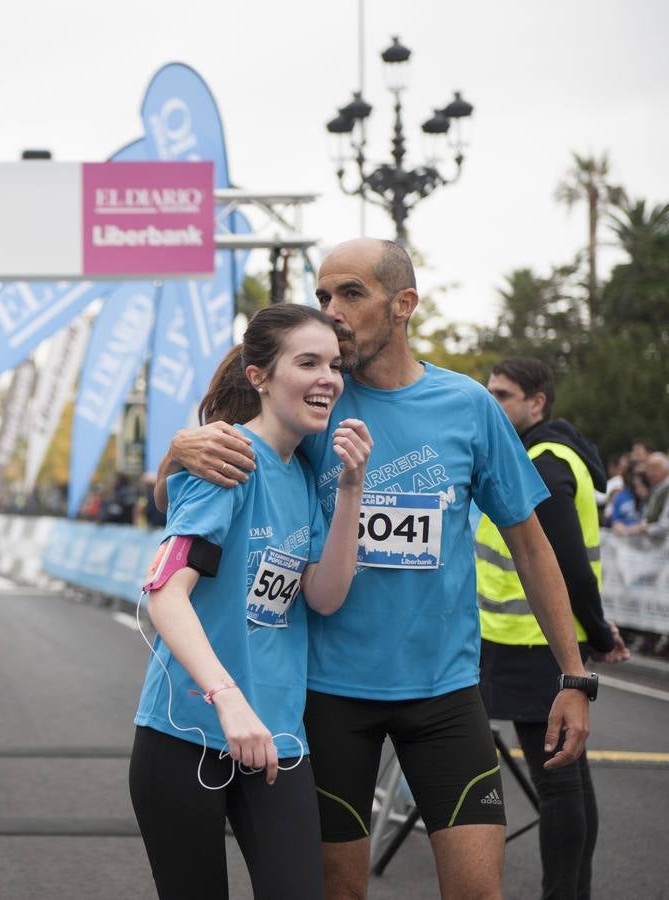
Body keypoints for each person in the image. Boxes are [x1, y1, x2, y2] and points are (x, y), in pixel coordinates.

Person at [155, 239, 593, 900]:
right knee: (340, 893)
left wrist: (573, 674)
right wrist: (178, 449)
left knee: (479, 891)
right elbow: (195, 487)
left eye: (350, 294)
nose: (332, 310)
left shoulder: (468, 407)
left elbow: (531, 545)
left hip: (444, 691)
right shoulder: (312, 399)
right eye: (323, 295)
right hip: (330, 695)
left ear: (403, 305)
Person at [131, 304, 373, 899]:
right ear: (259, 376)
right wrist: (227, 699)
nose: (328, 379)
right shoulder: (226, 460)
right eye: (308, 362)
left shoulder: (301, 473)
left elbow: (323, 595)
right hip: (186, 733)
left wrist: (350, 489)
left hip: (278, 739)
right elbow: (165, 593)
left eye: (335, 366)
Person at [477, 357, 630, 900]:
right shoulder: (549, 453)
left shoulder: (541, 461)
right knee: (569, 782)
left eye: (503, 395)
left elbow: (565, 560)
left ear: (536, 402)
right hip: (532, 642)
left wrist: (598, 631)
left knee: (557, 783)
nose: (492, 403)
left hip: (530, 645)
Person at [615, 452, 669, 541]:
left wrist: (637, 529)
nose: (650, 473)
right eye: (648, 469)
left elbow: (665, 525)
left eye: (655, 468)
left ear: (666, 469)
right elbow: (648, 519)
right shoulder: (656, 490)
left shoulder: (664, 490)